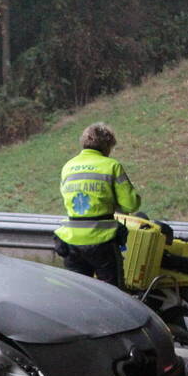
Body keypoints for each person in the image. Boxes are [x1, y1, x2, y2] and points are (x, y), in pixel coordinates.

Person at [53, 122, 141, 285]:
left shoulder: (68, 166)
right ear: (107, 145)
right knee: (112, 296)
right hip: (102, 241)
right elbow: (131, 204)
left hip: (72, 241)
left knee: (78, 293)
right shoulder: (111, 166)